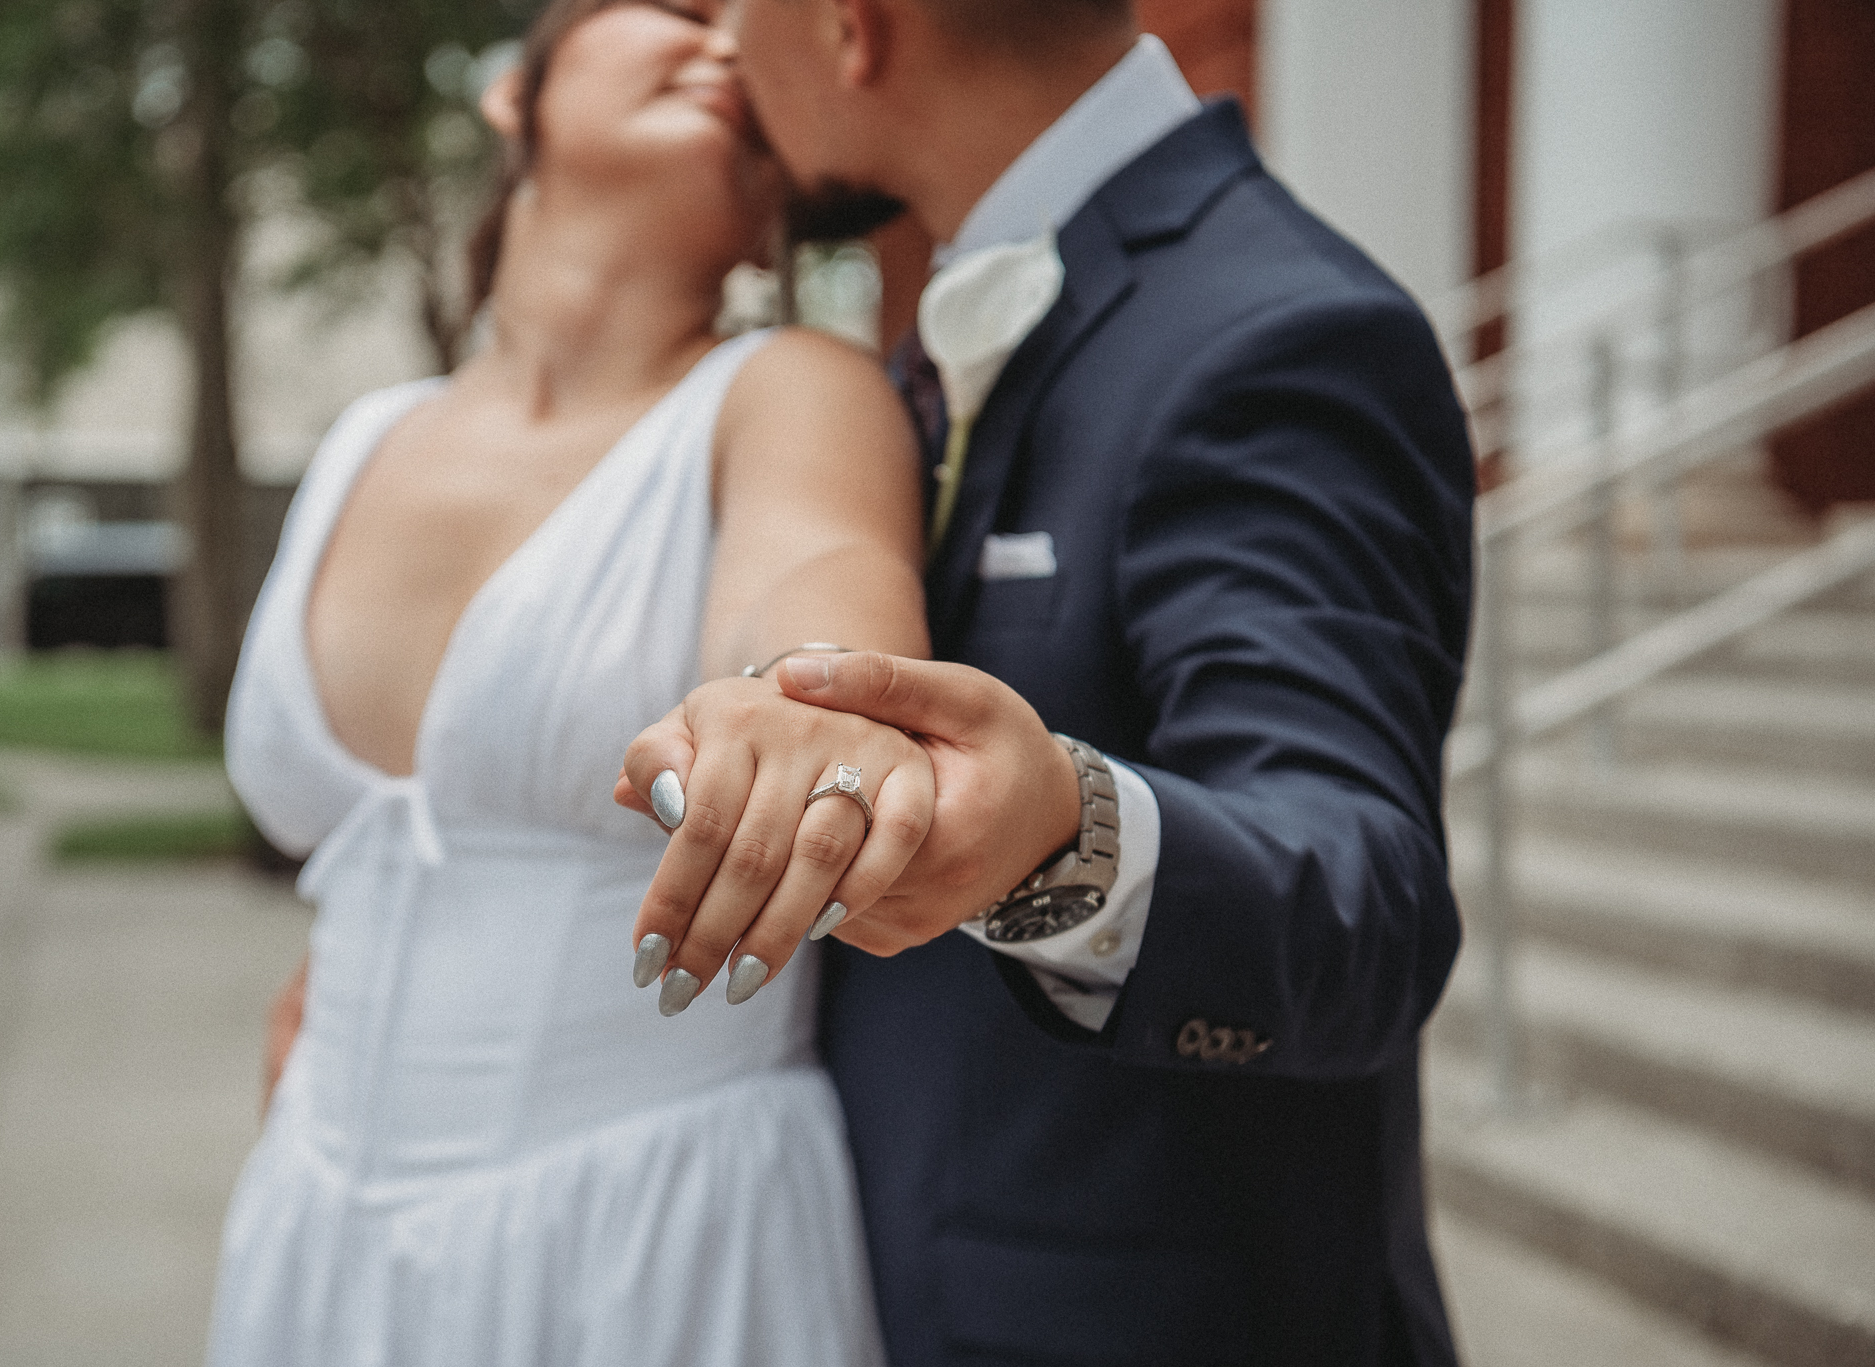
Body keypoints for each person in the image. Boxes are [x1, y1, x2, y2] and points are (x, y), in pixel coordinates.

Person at [621, 1, 1476, 1362]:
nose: (726, 44)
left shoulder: (1279, 328)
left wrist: (1056, 838)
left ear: (850, 27)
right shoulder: (952, 323)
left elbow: (1361, 902)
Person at [208, 1, 935, 1361]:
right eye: (673, 8)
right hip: (316, 1230)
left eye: (754, 30)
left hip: (653, 1245)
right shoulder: (367, 438)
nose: (727, 43)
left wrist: (801, 699)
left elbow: (819, 575)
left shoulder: (789, 390)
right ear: (509, 95)